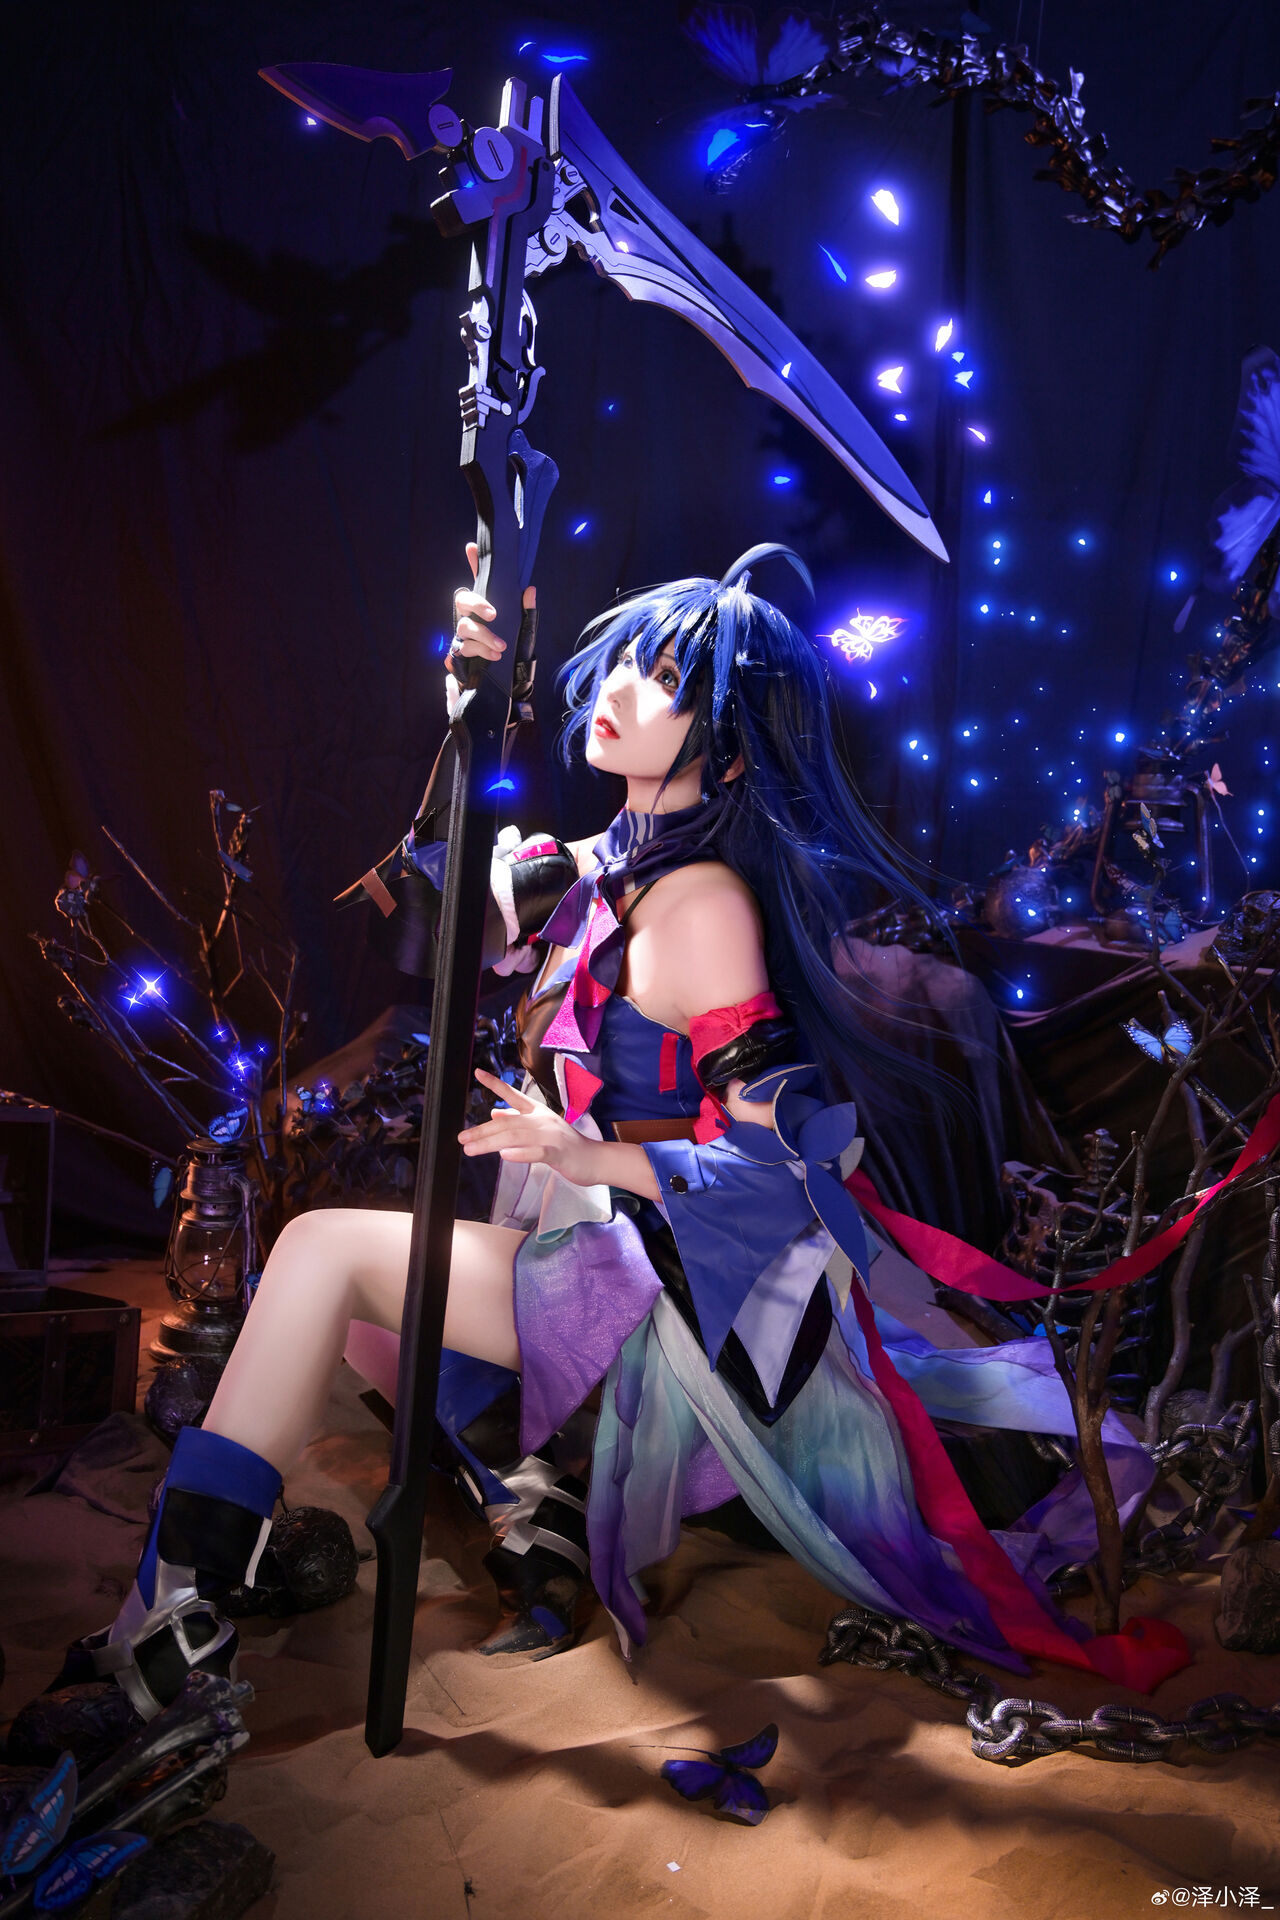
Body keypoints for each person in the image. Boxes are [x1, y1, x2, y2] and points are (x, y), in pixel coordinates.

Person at [76, 543, 1168, 1722]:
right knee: (368, 1329)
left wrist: (585, 1154)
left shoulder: (702, 908)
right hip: (590, 1244)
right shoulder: (588, 871)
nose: (618, 692)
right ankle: (527, 1504)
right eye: (621, 664)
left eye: (661, 681)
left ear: (728, 750)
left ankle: (171, 1625)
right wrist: (469, 709)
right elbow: (425, 927)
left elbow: (771, 1174)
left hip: (670, 1288)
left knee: (319, 1256)